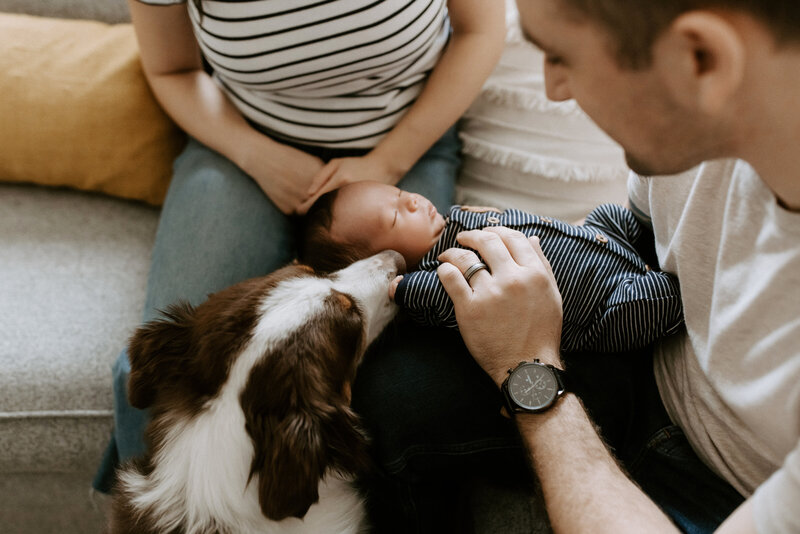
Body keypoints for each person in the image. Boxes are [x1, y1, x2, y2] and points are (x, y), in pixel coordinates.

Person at [355, 0, 798, 533]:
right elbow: (624, 237)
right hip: (648, 368)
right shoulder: (699, 134)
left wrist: (530, 369)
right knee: (379, 393)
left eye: (561, 56)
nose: (553, 89)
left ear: (700, 59)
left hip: (731, 495)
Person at [92, 0, 505, 493]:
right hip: (243, 145)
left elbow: (480, 31)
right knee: (154, 376)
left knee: (399, 384)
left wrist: (391, 161)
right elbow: (171, 68)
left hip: (402, 137)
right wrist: (256, 155)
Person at [299, 181, 683, 353]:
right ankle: (680, 299)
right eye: (397, 217)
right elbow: (421, 295)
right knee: (654, 302)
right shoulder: (440, 277)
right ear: (384, 264)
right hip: (599, 304)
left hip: (596, 242)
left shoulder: (455, 218)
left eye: (401, 193)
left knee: (611, 213)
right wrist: (402, 287)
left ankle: (645, 255)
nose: (414, 200)